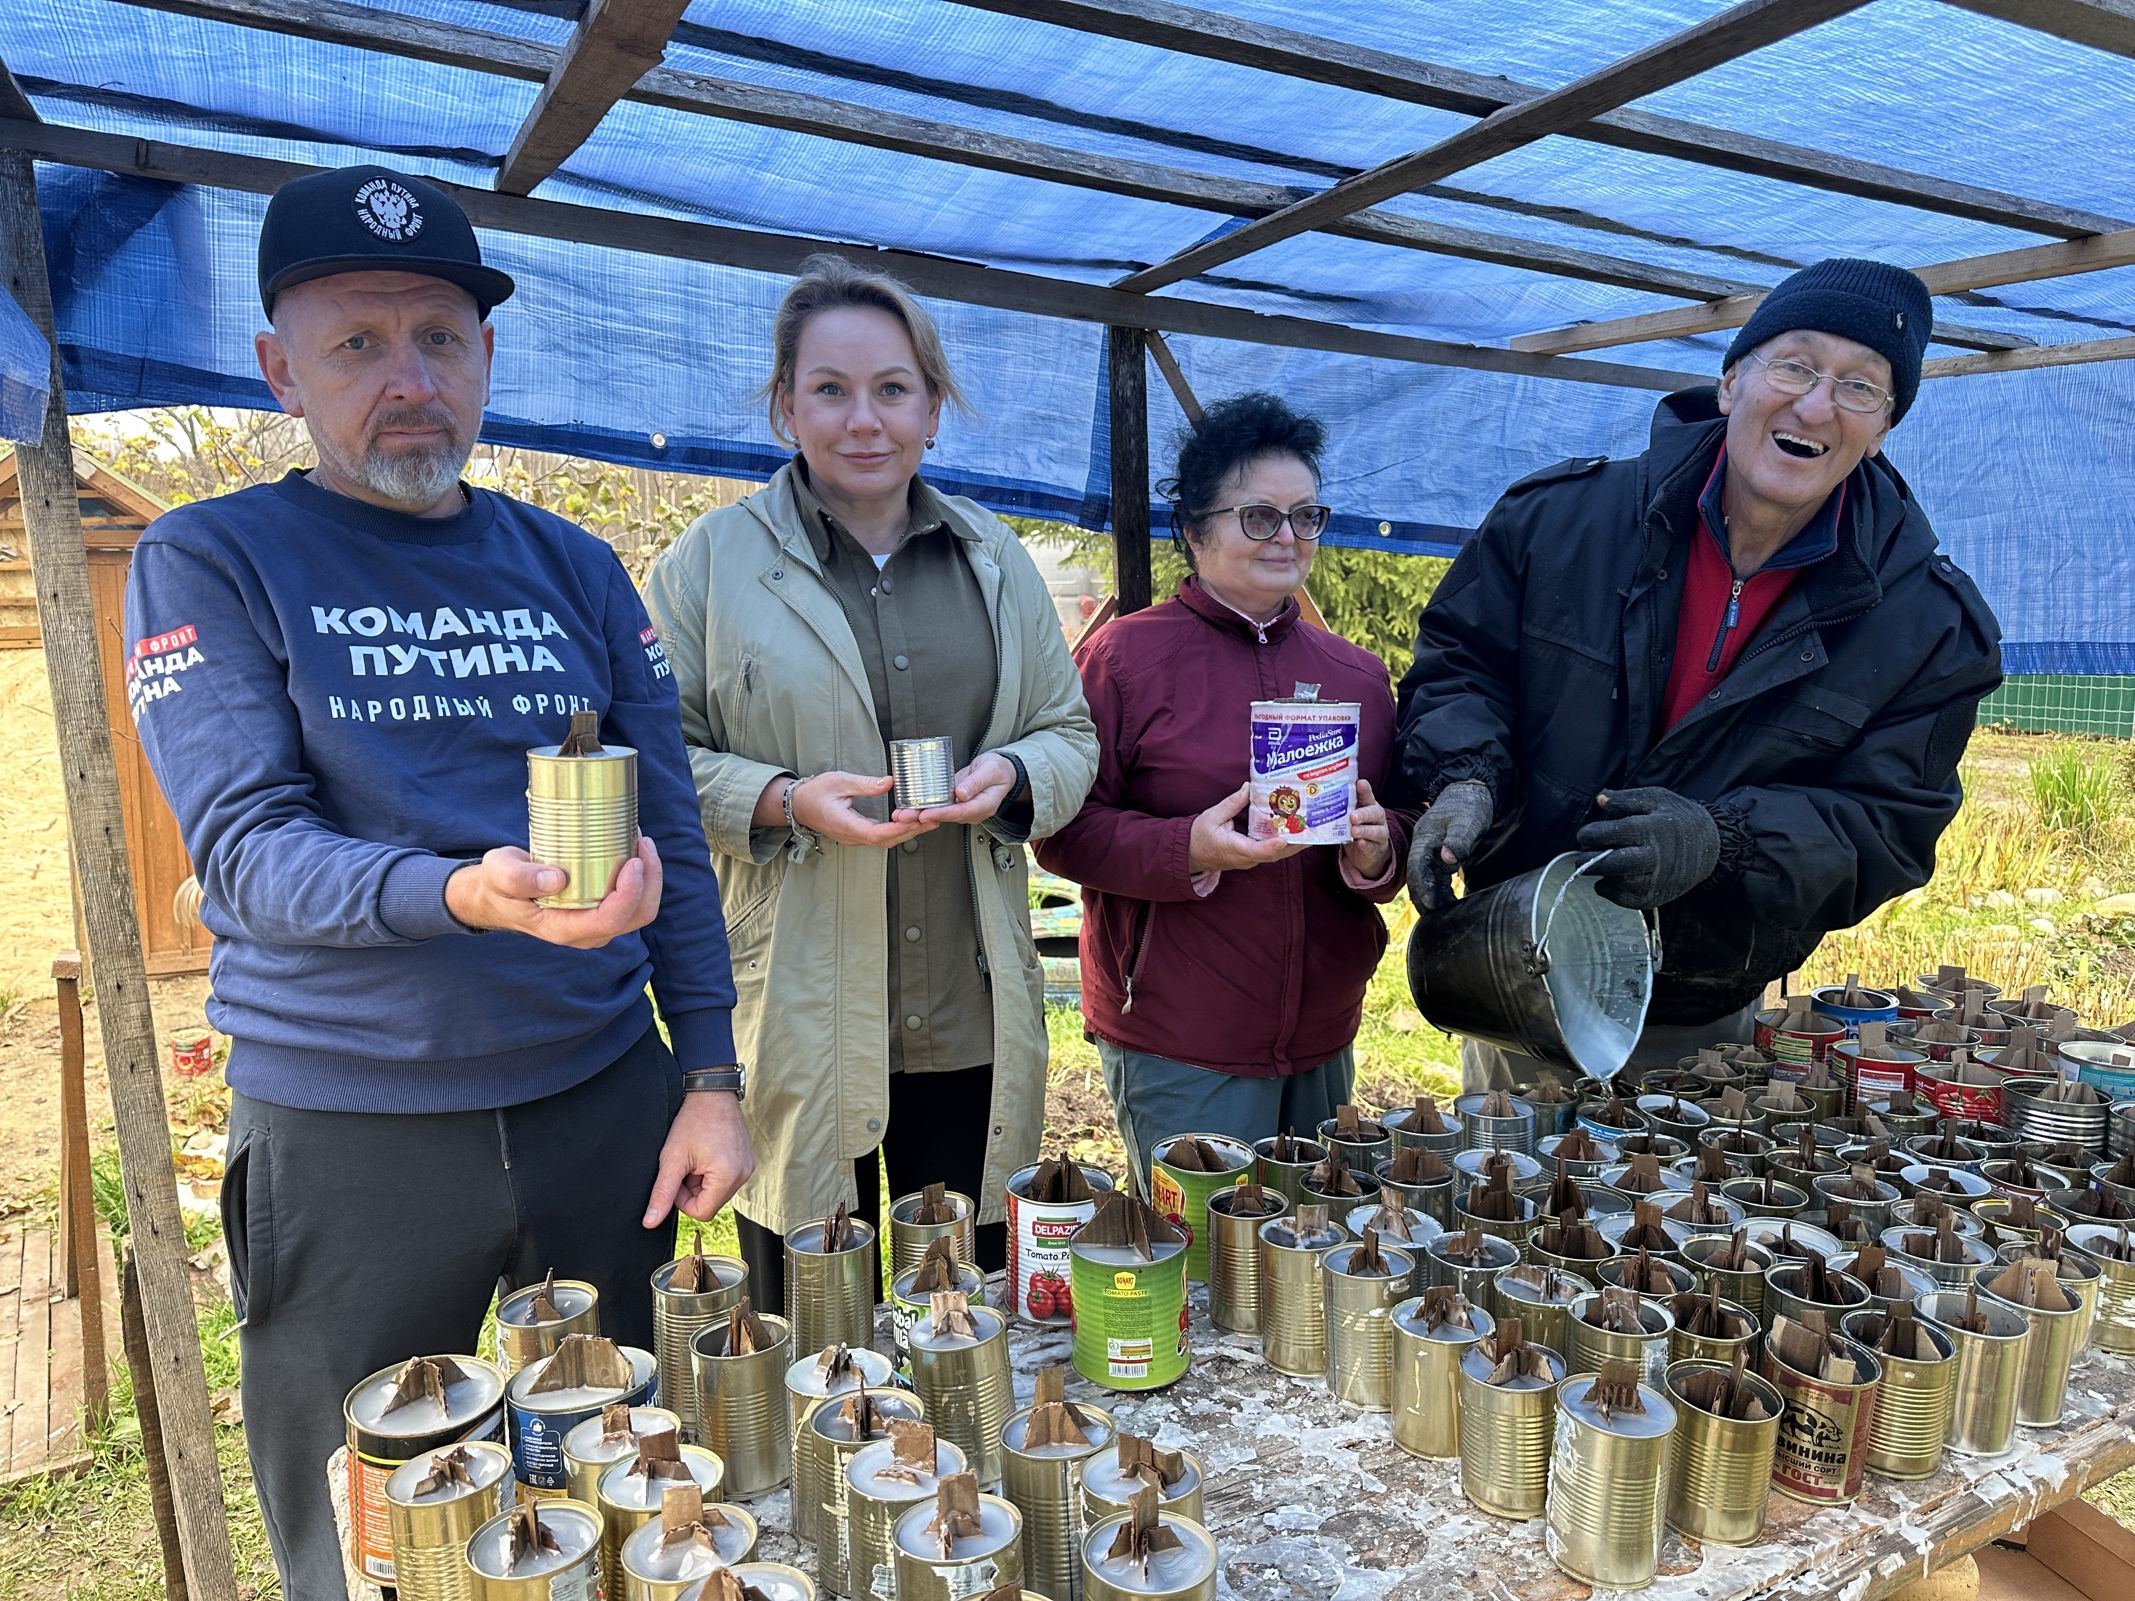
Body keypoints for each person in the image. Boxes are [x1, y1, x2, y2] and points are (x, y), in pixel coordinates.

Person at [122, 164, 752, 1596]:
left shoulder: (575, 566)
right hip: (354, 1128)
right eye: (357, 342)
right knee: (371, 1533)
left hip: (602, 1100)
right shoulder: (213, 556)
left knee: (624, 1481)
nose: (409, 379)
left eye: (440, 338)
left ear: (485, 355)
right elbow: (249, 852)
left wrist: (708, 1071)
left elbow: (670, 835)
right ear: (279, 369)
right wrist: (463, 892)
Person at [1393, 258, 2002, 1091]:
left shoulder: (1926, 624)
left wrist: (1723, 842)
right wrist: (1464, 776)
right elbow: (1460, 666)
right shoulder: (1557, 520)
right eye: (1794, 366)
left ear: (1882, 430)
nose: (1815, 405)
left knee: (1680, 1173)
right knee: (1499, 1165)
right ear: (1728, 383)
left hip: (1703, 1013)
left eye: (1860, 386)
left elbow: (1888, 824)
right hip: (1513, 964)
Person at [645, 254, 1096, 1307]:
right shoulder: (710, 564)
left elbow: (1069, 733)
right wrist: (780, 799)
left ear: (931, 407)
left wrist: (1013, 772)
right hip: (802, 1009)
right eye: (829, 389)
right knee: (813, 1318)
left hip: (967, 1006)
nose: (863, 419)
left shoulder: (992, 559)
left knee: (960, 1314)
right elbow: (655, 762)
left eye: (892, 388)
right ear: (785, 406)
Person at [1034, 393, 1410, 1189]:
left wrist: (1379, 851)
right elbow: (1061, 829)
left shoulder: (1355, 674)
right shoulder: (1122, 661)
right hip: (1180, 1035)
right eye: (1260, 517)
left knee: (1312, 1241)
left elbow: (1398, 819)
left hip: (1323, 1031)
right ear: (1196, 530)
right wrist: (1186, 849)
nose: (1288, 537)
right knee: (1204, 1252)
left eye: (1305, 516)